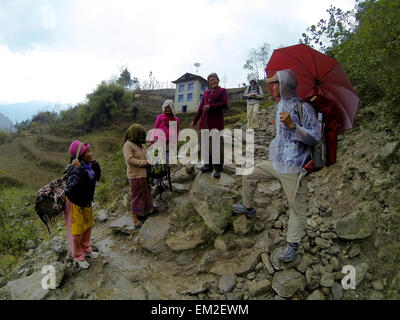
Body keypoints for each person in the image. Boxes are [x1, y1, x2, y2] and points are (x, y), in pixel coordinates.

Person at [233, 69, 322, 263]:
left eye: (274, 83)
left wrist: (293, 126)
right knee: (249, 175)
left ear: (284, 85)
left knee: (297, 207)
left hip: (295, 167)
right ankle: (249, 207)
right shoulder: (281, 104)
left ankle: (293, 244)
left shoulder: (303, 108)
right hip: (277, 162)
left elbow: (316, 136)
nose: (271, 86)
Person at [64, 140, 101, 269]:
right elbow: (71, 189)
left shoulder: (89, 166)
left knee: (87, 227)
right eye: (87, 152)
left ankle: (87, 249)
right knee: (76, 231)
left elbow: (97, 177)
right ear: (79, 156)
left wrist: (93, 162)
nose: (90, 153)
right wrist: (78, 169)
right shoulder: (72, 170)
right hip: (75, 204)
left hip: (86, 202)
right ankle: (78, 256)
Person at [191, 72, 228, 178]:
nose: (212, 81)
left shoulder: (222, 91)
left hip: (216, 123)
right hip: (204, 123)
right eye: (210, 80)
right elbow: (200, 107)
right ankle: (208, 165)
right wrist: (195, 120)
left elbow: (224, 103)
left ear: (218, 80)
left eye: (214, 79)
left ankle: (217, 168)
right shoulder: (206, 93)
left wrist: (211, 107)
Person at [123, 124, 153, 229]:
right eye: (139, 134)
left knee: (145, 193)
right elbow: (129, 160)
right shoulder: (128, 145)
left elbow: (145, 157)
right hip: (135, 175)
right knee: (136, 196)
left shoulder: (141, 145)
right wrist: (145, 162)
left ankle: (144, 213)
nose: (141, 136)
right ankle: (135, 218)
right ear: (134, 134)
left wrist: (149, 150)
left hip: (144, 174)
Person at [149, 99, 179, 190]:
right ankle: (157, 182)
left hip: (169, 145)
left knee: (166, 163)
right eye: (166, 108)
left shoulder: (175, 119)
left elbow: (176, 133)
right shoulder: (160, 117)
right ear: (163, 108)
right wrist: (151, 142)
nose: (167, 110)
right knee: (159, 163)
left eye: (169, 108)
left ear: (172, 108)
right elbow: (155, 129)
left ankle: (162, 181)